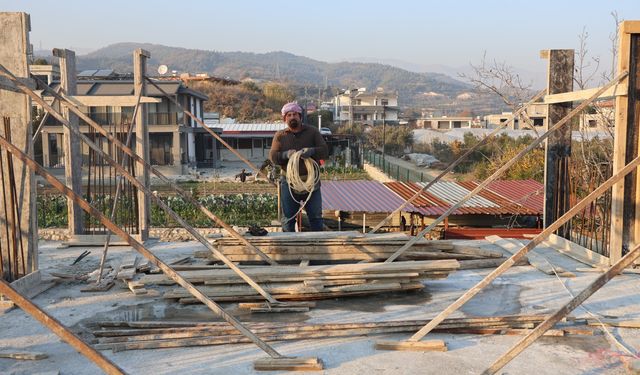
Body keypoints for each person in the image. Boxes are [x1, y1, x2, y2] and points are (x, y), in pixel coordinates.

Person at [269, 102, 328, 232]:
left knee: (316, 217)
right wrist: (286, 154)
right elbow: (273, 157)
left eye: (295, 114)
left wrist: (312, 151)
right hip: (289, 182)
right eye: (289, 115)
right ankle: (288, 248)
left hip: (311, 183)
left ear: (300, 116)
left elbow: (324, 151)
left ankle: (319, 246)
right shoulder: (280, 136)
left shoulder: (312, 132)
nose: (292, 117)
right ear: (285, 119)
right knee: (288, 218)